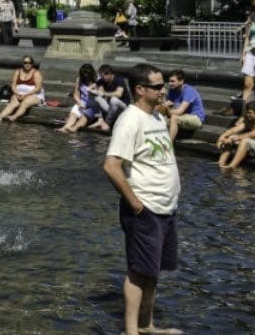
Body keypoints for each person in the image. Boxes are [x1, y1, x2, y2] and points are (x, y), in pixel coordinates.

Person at [102, 63, 180, 335]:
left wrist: (171, 119)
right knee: (138, 271)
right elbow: (111, 165)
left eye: (163, 85)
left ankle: (148, 326)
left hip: (165, 207)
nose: (163, 90)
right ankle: (131, 331)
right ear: (140, 89)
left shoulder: (156, 116)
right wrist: (135, 204)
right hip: (145, 208)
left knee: (153, 271)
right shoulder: (130, 119)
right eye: (157, 86)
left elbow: (164, 148)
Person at [216, 100, 255, 169]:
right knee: (231, 136)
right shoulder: (248, 120)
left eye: (249, 113)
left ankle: (231, 166)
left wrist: (232, 139)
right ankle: (221, 163)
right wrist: (221, 137)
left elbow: (251, 134)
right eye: (247, 112)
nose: (247, 115)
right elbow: (233, 130)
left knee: (244, 140)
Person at [0, 56, 44, 122]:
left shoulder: (36, 73)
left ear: (32, 64)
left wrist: (26, 95)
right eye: (25, 62)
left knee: (25, 102)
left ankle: (13, 117)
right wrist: (16, 93)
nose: (27, 64)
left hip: (34, 95)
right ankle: (0, 116)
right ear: (22, 63)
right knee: (13, 103)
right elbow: (13, 85)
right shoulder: (17, 72)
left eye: (29, 62)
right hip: (19, 93)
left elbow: (38, 88)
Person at [58, 64, 99, 133]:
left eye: (87, 75)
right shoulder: (79, 79)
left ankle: (75, 127)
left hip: (94, 103)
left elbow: (100, 94)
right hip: (82, 102)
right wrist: (79, 103)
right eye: (84, 75)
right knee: (74, 113)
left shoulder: (98, 80)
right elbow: (76, 94)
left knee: (86, 115)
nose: (86, 77)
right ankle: (66, 127)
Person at [89, 65, 129, 131]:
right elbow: (89, 88)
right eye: (101, 76)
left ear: (110, 74)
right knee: (95, 97)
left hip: (123, 108)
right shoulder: (102, 80)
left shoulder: (119, 80)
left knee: (114, 100)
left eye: (103, 76)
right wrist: (94, 91)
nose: (102, 78)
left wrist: (104, 93)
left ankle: (108, 123)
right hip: (111, 108)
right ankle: (100, 119)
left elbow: (119, 94)